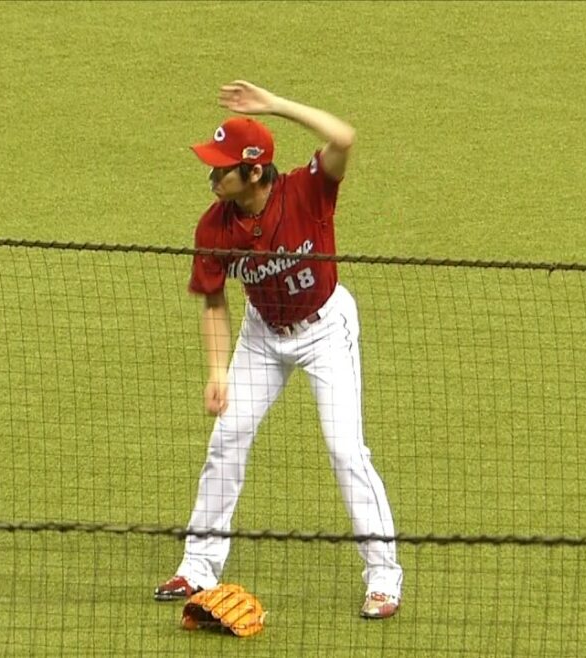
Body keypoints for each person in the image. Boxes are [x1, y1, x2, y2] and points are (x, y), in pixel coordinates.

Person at [153, 81, 403, 620]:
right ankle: (197, 565)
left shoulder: (308, 190)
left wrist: (275, 107)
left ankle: (383, 576)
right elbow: (214, 301)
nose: (211, 174)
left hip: (325, 331)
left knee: (345, 451)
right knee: (227, 439)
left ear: (255, 171)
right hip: (261, 336)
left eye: (222, 167)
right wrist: (217, 370)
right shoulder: (213, 225)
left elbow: (344, 136)